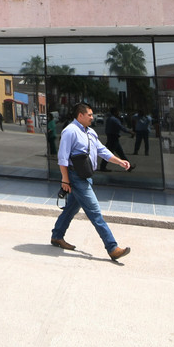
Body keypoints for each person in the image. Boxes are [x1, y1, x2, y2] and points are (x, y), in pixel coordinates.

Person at [50, 103, 132, 261]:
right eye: (89, 115)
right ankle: (112, 248)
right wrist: (65, 179)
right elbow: (62, 158)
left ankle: (57, 236)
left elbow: (102, 150)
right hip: (75, 177)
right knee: (95, 213)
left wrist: (119, 161)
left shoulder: (90, 132)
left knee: (71, 209)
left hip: (85, 176)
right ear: (80, 115)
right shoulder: (70, 131)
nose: (92, 117)